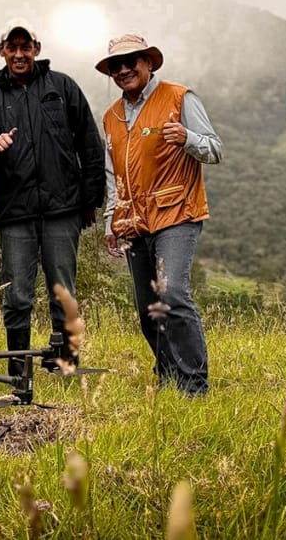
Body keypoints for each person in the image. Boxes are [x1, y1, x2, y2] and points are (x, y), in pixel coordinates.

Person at [0, 19, 105, 373]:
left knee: (63, 288)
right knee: (17, 294)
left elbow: (90, 143)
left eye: (24, 46)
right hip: (16, 213)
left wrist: (90, 200)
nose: (18, 54)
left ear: (36, 49)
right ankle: (18, 368)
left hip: (64, 208)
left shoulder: (62, 87)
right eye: (11, 47)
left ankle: (65, 361)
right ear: (1, 51)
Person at [96, 34, 223, 396]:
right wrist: (111, 220)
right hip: (134, 222)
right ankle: (167, 379)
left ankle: (194, 386)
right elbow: (113, 175)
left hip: (178, 214)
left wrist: (186, 137)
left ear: (148, 62)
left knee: (173, 295)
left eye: (131, 61)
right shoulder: (111, 117)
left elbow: (215, 150)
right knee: (149, 309)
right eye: (115, 66)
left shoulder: (180, 97)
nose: (123, 70)